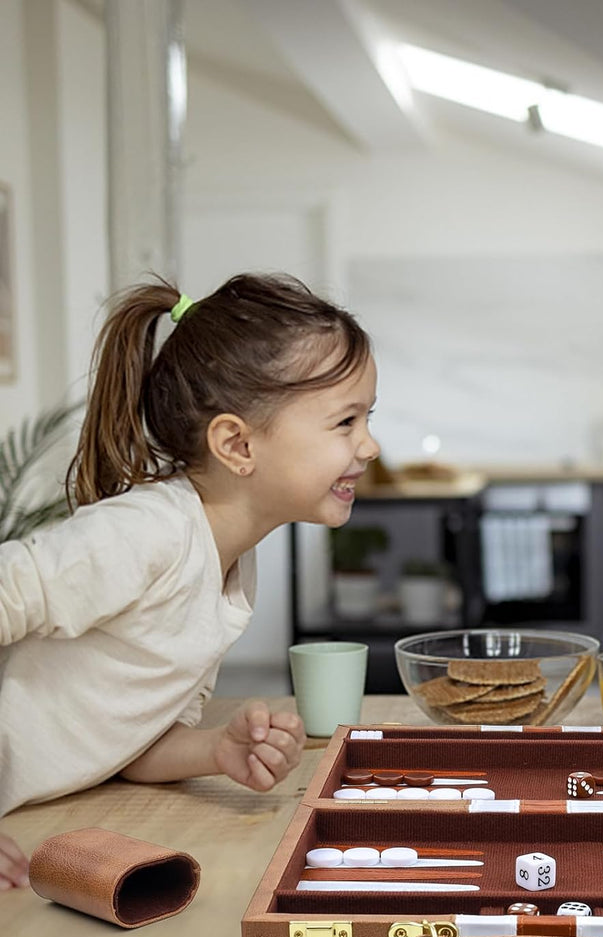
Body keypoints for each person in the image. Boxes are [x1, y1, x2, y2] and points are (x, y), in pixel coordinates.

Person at [0, 273, 380, 888]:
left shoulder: (231, 564)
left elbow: (132, 745)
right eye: (345, 422)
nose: (369, 445)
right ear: (237, 444)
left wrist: (215, 750)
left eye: (367, 418)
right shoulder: (145, 533)